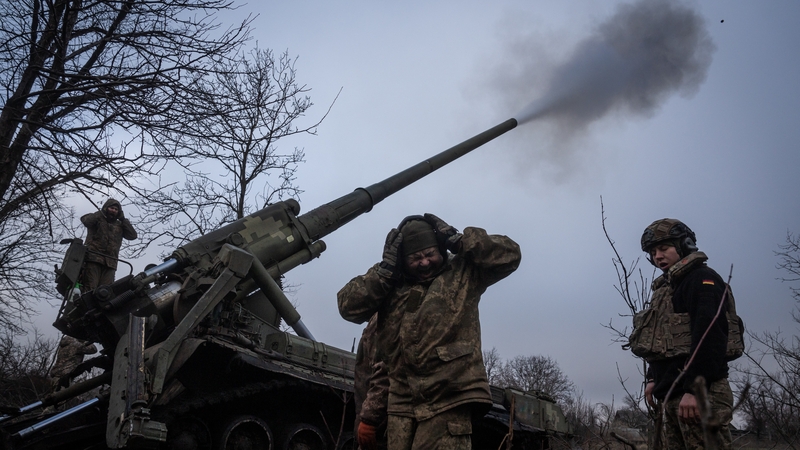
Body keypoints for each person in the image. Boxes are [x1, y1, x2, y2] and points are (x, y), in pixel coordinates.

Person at [338, 213, 521, 450]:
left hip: (449, 397)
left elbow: (510, 255)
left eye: (430, 254)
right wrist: (384, 272)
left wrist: (460, 241)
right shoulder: (391, 284)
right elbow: (349, 308)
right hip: (402, 406)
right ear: (402, 260)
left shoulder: (463, 273)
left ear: (441, 250)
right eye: (415, 258)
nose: (424, 263)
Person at [629, 218, 738, 450]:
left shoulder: (701, 279)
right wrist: (652, 378)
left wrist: (694, 390)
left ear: (685, 245)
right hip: (671, 392)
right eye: (653, 252)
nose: (658, 256)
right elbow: (661, 339)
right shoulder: (666, 288)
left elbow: (710, 336)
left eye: (664, 248)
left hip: (701, 393)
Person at [80, 198, 137, 290]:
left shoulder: (120, 225)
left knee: (105, 291)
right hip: (93, 259)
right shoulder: (97, 218)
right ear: (106, 208)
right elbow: (86, 221)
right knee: (90, 287)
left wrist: (123, 220)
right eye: (111, 208)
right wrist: (101, 213)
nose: (113, 211)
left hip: (111, 263)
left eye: (116, 209)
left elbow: (133, 235)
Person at [354, 313, 389, 450]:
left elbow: (385, 372)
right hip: (376, 420)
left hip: (380, 424)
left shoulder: (382, 320)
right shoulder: (378, 319)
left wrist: (368, 420)